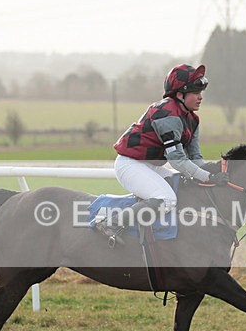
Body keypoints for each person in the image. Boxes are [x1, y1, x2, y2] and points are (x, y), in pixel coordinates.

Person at [96, 64, 230, 240]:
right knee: (166, 199)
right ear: (180, 95)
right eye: (196, 93)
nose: (200, 97)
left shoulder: (192, 119)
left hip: (149, 165)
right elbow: (177, 161)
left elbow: (195, 157)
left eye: (201, 92)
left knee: (181, 187)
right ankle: (111, 222)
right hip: (130, 164)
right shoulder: (167, 113)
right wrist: (207, 177)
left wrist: (214, 169)